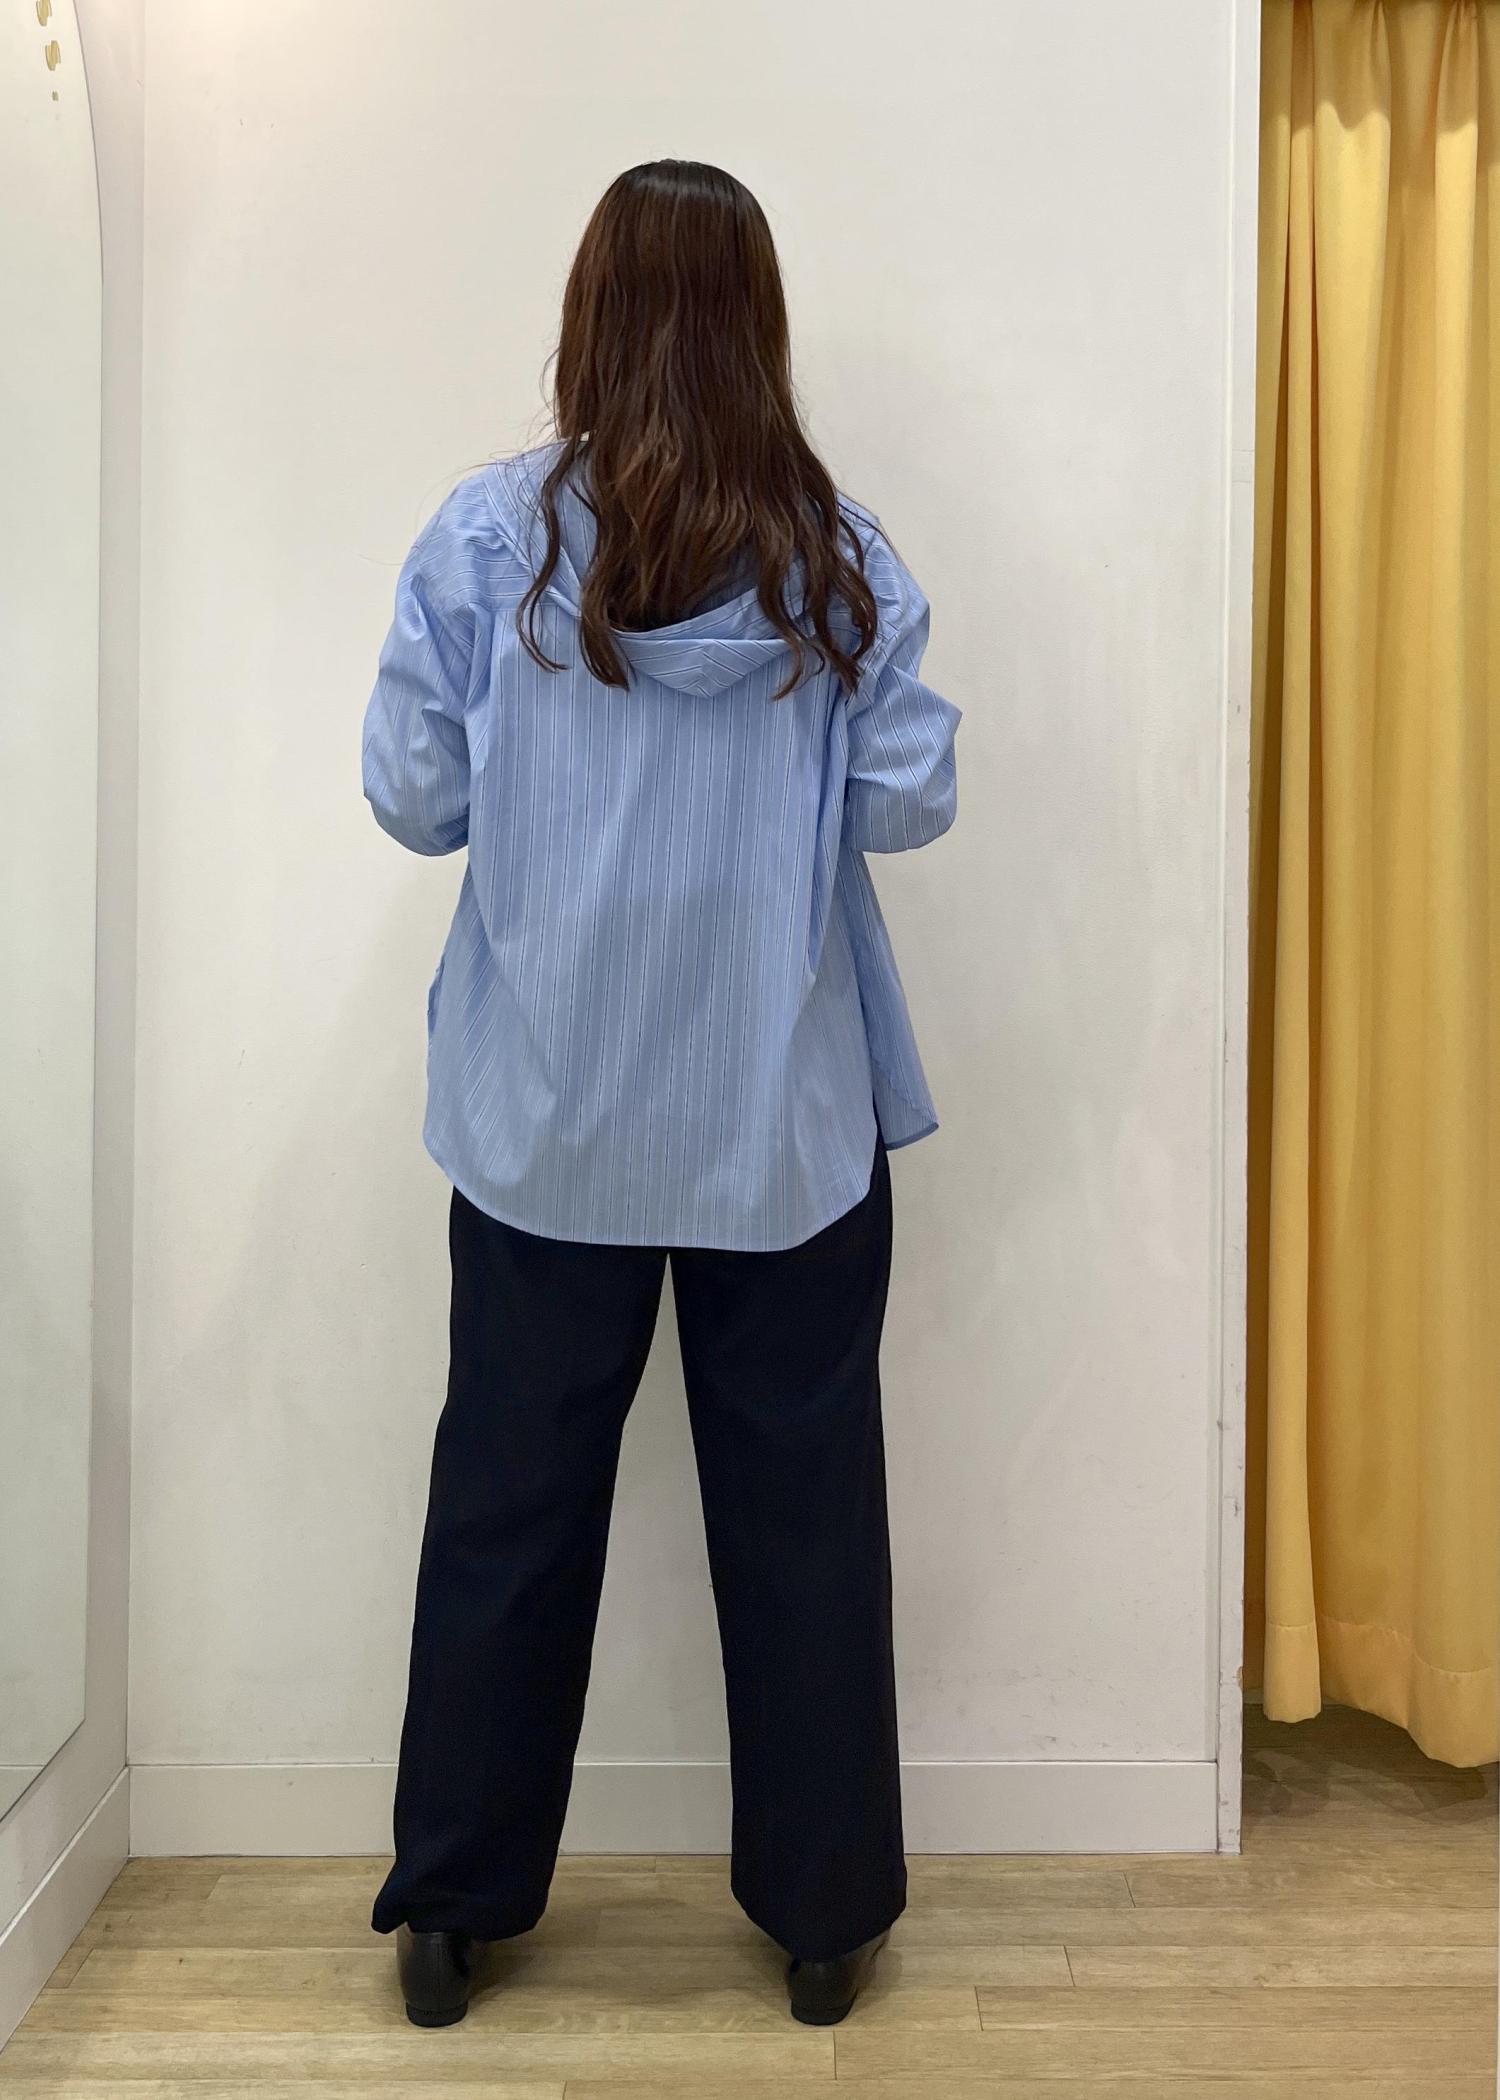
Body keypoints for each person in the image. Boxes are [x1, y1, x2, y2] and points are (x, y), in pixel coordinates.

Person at [361, 158, 960, 2031]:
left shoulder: (487, 543)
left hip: (546, 1124)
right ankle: (825, 1919)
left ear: (591, 315)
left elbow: (413, 799)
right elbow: (909, 802)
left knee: (506, 1510)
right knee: (803, 1522)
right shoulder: (837, 559)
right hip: (777, 1126)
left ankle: (453, 1907)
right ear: (758, 330)